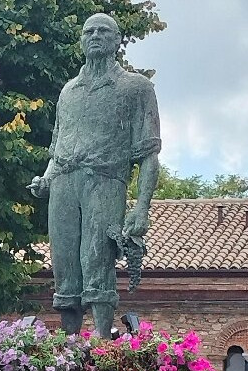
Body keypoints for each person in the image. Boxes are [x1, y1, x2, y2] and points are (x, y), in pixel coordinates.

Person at [28, 13, 161, 338]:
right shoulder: (68, 91)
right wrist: (45, 178)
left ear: (117, 41)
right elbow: (57, 147)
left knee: (97, 259)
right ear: (81, 41)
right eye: (89, 32)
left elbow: (149, 154)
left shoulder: (135, 88)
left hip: (105, 181)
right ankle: (70, 345)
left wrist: (141, 207)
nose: (95, 36)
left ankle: (102, 344)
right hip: (63, 183)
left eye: (103, 31)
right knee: (64, 267)